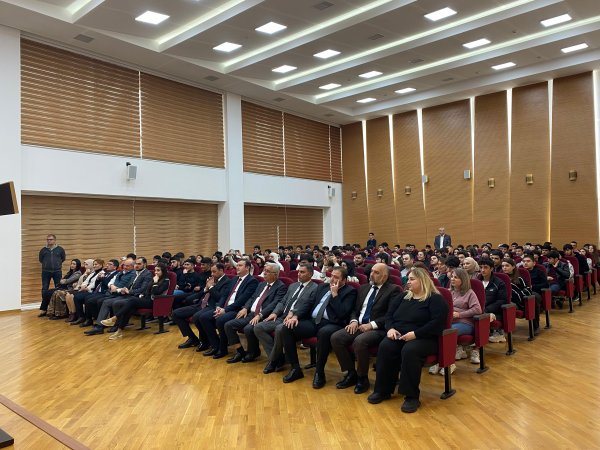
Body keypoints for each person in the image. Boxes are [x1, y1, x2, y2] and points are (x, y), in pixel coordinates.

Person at [367, 268, 447, 413]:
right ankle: (383, 390)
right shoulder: (403, 296)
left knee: (410, 350)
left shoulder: (435, 299)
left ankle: (411, 396)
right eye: (408, 279)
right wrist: (390, 329)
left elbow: (436, 323)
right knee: (386, 346)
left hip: (425, 337)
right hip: (399, 334)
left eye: (411, 279)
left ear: (422, 281)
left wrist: (416, 334)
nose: (407, 282)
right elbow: (389, 316)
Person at [279, 266, 357, 388]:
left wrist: (335, 294)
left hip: (332, 323)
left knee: (324, 333)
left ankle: (319, 373)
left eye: (336, 277)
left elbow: (343, 313)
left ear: (344, 280)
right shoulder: (322, 287)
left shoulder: (350, 291)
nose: (332, 279)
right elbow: (308, 303)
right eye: (331, 276)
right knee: (287, 328)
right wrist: (296, 316)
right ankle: (295, 369)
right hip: (313, 321)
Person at [330, 263, 401, 394]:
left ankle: (362, 378)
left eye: (376, 272)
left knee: (360, 341)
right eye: (371, 271)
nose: (371, 274)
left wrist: (371, 325)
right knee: (336, 337)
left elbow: (391, 315)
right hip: (359, 325)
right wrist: (353, 321)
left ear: (384, 277)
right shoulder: (363, 288)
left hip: (378, 329)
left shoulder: (393, 290)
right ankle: (351, 373)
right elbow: (354, 310)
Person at [256, 263, 319, 374]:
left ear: (310, 274)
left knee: (280, 329)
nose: (299, 274)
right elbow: (283, 302)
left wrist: (293, 313)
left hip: (297, 319)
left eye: (302, 272)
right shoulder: (293, 286)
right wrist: (275, 313)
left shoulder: (315, 288)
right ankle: (279, 359)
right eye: (299, 271)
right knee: (258, 327)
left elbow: (308, 306)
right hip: (282, 316)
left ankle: (272, 361)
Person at [223, 263, 288, 363]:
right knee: (228, 325)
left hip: (264, 316)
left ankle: (253, 352)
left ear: (275, 274)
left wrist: (260, 315)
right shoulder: (261, 284)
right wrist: (245, 308)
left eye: (267, 271)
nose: (264, 273)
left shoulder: (281, 287)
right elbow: (252, 298)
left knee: (248, 328)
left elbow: (274, 304)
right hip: (250, 314)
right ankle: (240, 352)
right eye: (264, 270)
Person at [198, 260, 258, 359]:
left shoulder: (252, 281)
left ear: (247, 268)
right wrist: (219, 307)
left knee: (220, 320)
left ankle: (223, 349)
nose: (237, 267)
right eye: (237, 265)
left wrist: (225, 310)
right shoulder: (234, 279)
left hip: (237, 309)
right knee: (203, 317)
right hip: (225, 307)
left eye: (240, 265)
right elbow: (224, 295)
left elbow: (242, 300)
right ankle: (215, 345)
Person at [173, 263, 233, 351]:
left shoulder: (227, 282)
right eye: (211, 272)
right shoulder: (212, 280)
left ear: (221, 271)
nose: (212, 274)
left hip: (212, 306)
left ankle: (207, 342)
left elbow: (219, 297)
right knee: (175, 314)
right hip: (200, 304)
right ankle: (193, 339)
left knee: (197, 317)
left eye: (214, 272)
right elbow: (202, 294)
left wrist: (211, 286)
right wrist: (206, 288)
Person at [106, 262, 170, 340]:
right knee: (129, 308)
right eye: (155, 270)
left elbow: (156, 292)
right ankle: (119, 331)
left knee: (132, 300)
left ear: (163, 271)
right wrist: (141, 295)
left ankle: (115, 318)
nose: (156, 272)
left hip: (156, 302)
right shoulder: (155, 278)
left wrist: (155, 282)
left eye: (158, 270)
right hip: (147, 299)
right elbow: (147, 290)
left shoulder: (166, 280)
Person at [502, 258, 540, 334]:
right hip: (505, 300)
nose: (504, 268)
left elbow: (528, 289)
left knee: (532, 299)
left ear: (513, 267)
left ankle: (535, 326)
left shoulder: (518, 278)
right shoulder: (501, 278)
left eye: (507, 266)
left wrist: (518, 295)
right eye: (503, 266)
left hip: (518, 301)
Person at [478, 258, 507, 343]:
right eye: (481, 267)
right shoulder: (476, 281)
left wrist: (486, 310)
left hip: (494, 311)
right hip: (478, 309)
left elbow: (501, 301)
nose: (482, 270)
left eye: (485, 267)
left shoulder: (499, 283)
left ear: (491, 268)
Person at [38, 234, 66, 315]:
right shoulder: (43, 250)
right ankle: (44, 309)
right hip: (45, 271)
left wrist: (56, 264)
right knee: (44, 289)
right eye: (47, 239)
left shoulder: (60, 249)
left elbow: (63, 258)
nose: (49, 241)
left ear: (55, 240)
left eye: (50, 239)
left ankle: (57, 308)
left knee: (58, 289)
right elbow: (41, 260)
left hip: (57, 271)